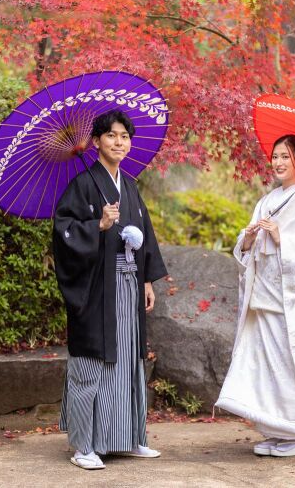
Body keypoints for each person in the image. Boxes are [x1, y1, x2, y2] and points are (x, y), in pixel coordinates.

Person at [53, 109, 167, 470]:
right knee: (93, 363)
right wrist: (98, 225)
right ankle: (84, 444)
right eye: (111, 136)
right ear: (97, 141)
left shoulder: (129, 185)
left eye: (124, 136)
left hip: (129, 285)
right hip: (96, 287)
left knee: (129, 360)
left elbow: (144, 235)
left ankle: (129, 437)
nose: (119, 142)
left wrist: (146, 278)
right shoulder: (82, 184)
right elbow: (63, 232)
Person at [215, 134, 295, 458]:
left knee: (287, 367)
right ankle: (274, 430)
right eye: (275, 156)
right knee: (264, 369)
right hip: (262, 295)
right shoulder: (268, 200)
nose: (279, 162)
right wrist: (248, 238)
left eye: (286, 156)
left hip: (289, 301)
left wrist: (283, 238)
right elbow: (245, 247)